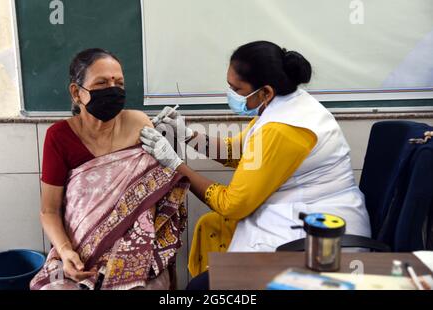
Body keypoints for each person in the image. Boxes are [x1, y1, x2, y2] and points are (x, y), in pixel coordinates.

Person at [140, 41, 371, 288]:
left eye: (236, 89)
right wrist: (186, 135)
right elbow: (239, 151)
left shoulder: (284, 129)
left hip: (320, 238)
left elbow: (231, 205)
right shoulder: (284, 104)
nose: (230, 94)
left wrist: (175, 165)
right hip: (304, 216)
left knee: (200, 288)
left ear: (266, 92)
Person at [30, 48, 189, 290]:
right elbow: (49, 211)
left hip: (134, 248)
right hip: (77, 247)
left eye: (119, 83)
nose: (112, 89)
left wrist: (131, 250)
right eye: (102, 83)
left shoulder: (139, 124)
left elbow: (151, 198)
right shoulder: (59, 136)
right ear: (76, 92)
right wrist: (65, 251)